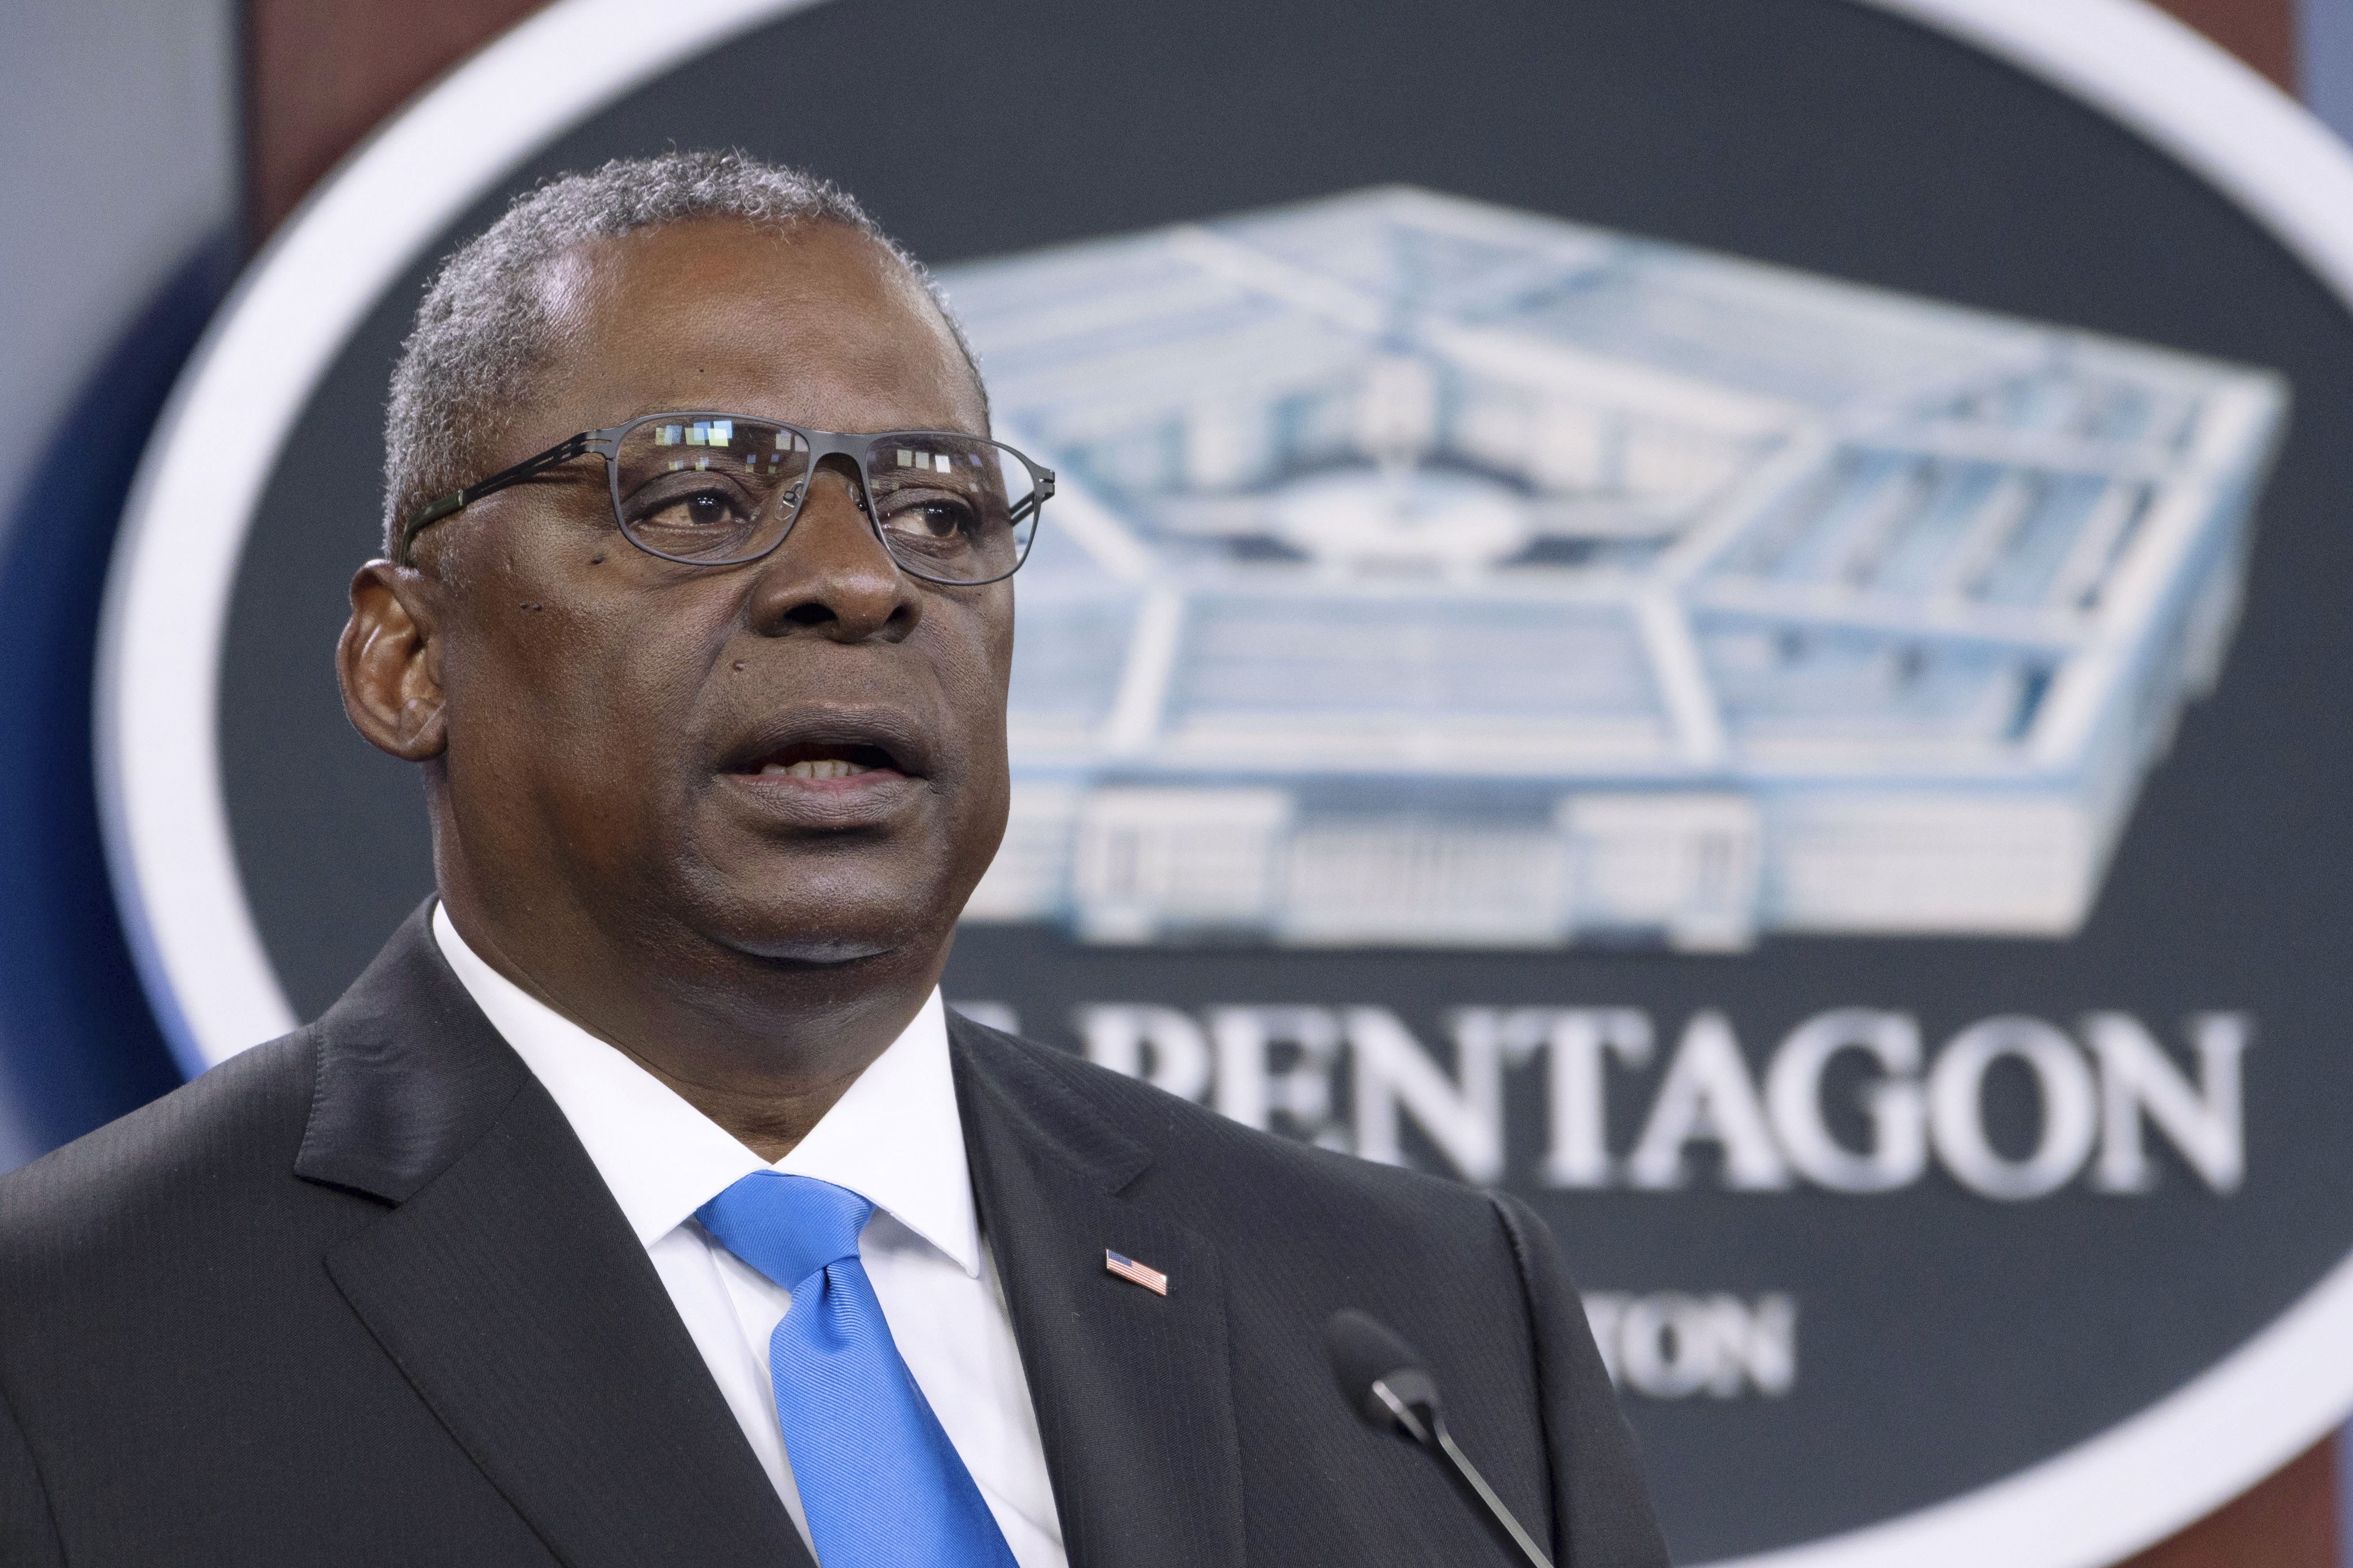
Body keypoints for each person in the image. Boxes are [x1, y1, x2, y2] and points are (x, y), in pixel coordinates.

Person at [0, 151, 1666, 1568]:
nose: (860, 582)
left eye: (939, 514)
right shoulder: (69, 1338)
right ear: (407, 661)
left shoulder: (1415, 1325)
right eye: (700, 497)